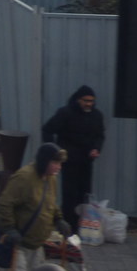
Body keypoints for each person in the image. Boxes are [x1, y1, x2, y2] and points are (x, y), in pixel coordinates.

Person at [0, 143, 71, 271]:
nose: (59, 167)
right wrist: (10, 229)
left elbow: (51, 203)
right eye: (56, 163)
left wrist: (59, 219)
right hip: (18, 241)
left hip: (37, 242)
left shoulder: (50, 178)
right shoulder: (24, 178)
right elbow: (4, 204)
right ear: (45, 161)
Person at [41, 85, 106, 230]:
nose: (89, 104)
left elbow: (100, 136)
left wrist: (96, 148)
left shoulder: (96, 115)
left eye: (91, 101)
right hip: (69, 160)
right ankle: (68, 225)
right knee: (70, 194)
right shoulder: (65, 113)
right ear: (78, 100)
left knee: (84, 194)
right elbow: (47, 129)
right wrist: (54, 152)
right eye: (86, 101)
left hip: (86, 160)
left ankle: (79, 225)